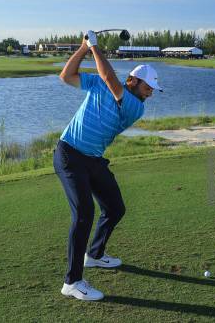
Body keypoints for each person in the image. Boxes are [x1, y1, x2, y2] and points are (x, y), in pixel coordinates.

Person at [54, 30, 162, 301]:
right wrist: (82, 48)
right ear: (134, 81)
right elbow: (66, 76)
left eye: (152, 90)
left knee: (115, 208)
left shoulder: (135, 107)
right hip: (69, 154)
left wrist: (94, 47)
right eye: (147, 88)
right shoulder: (101, 84)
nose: (150, 94)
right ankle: (72, 281)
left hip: (93, 160)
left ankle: (95, 255)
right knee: (84, 214)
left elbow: (110, 79)